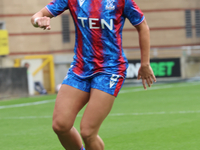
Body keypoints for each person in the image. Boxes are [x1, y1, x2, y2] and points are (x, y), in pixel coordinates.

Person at [31, 0, 156, 150]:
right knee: (60, 126)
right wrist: (38, 20)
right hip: (80, 68)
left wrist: (145, 64)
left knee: (88, 132)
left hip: (110, 69)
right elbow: (37, 16)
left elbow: (142, 26)